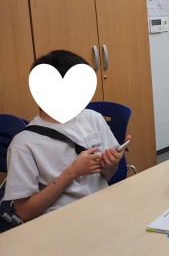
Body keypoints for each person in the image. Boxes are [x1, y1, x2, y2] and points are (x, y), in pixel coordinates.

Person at [4, 50, 129, 222]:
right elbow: (25, 213)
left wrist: (110, 164)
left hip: (102, 208)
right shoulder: (24, 144)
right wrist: (72, 172)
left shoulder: (93, 118)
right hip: (59, 220)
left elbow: (107, 176)